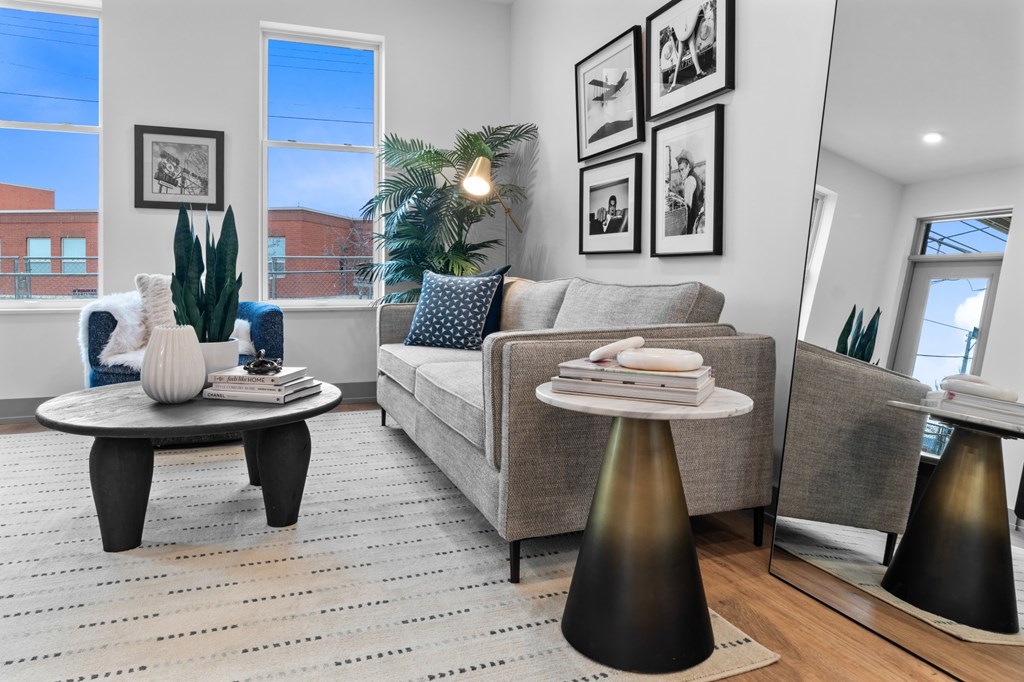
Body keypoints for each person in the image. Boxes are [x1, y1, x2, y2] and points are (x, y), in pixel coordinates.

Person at [660, 2, 709, 91]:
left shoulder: (676, 9)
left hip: (680, 32)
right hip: (687, 29)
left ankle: (674, 82)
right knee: (692, 49)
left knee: (679, 59)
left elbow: (673, 27)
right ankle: (698, 71)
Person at [666, 150, 704, 236]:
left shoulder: (689, 180)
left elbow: (687, 208)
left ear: (689, 167)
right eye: (679, 170)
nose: (680, 173)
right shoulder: (695, 177)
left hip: (693, 222)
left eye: (682, 169)